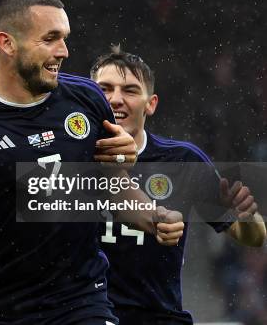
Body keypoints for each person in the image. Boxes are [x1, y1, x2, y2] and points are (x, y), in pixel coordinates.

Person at [0, 0, 185, 324]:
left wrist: (153, 216)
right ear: (6, 43)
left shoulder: (86, 99)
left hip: (78, 301)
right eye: (51, 38)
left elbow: (113, 185)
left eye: (64, 38)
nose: (64, 51)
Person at [90, 46, 266, 324]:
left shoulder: (183, 161)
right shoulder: (68, 156)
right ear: (90, 98)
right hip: (86, 316)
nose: (116, 99)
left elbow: (254, 238)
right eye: (105, 89)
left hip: (159, 317)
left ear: (151, 104)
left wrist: (246, 218)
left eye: (130, 90)